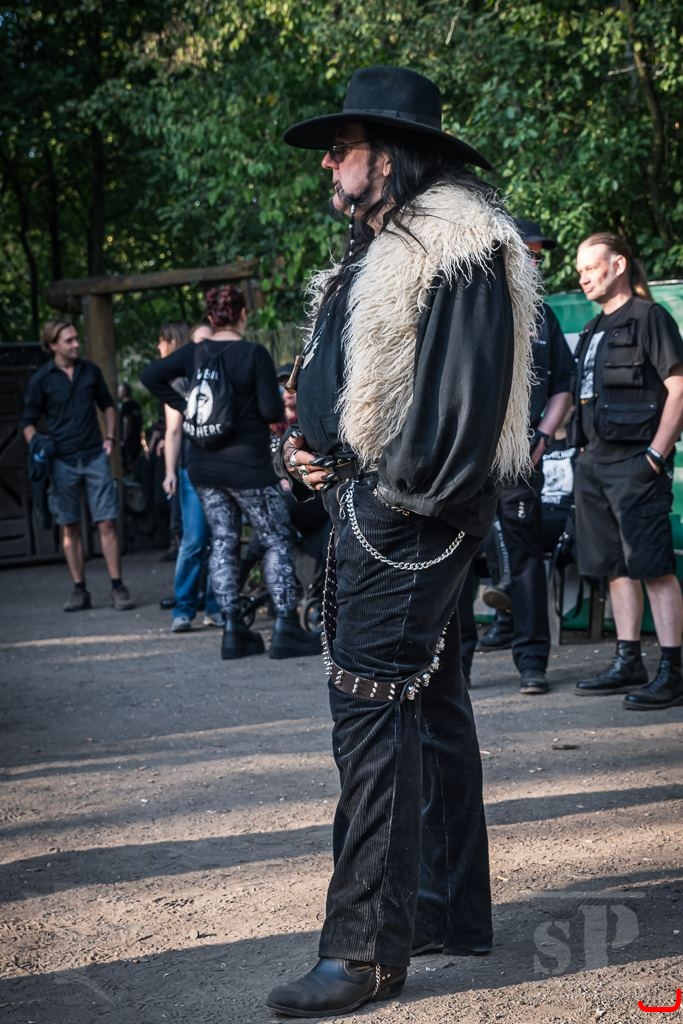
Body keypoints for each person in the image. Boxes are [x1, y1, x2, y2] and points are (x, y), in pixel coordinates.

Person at [266, 65, 538, 1018]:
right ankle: (439, 909)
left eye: (340, 148)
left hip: (409, 516)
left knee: (371, 709)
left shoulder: (459, 244)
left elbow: (461, 411)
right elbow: (341, 393)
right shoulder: (373, 255)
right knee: (427, 705)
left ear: (388, 154)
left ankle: (362, 953)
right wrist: (307, 454)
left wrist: (385, 497)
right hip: (377, 505)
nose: (328, 164)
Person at [141, 285, 321, 660]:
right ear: (243, 314)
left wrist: (187, 404)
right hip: (247, 466)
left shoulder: (194, 352)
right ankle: (286, 626)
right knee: (275, 537)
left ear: (210, 317)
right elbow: (272, 411)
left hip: (203, 466)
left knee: (222, 540)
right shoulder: (253, 354)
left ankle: (233, 630)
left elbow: (151, 376)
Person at [571, 232, 683, 710]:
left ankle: (673, 672)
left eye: (589, 268)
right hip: (594, 464)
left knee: (652, 566)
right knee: (614, 567)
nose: (583, 278)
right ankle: (628, 660)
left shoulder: (649, 317)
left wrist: (656, 455)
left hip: (636, 463)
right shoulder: (593, 327)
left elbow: (679, 388)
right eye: (579, 271)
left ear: (617, 265)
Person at [475, 218, 573, 695]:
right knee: (458, 560)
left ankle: (533, 662)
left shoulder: (543, 317)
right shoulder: (473, 308)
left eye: (539, 256)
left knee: (527, 559)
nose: (535, 262)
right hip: (469, 463)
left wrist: (543, 438)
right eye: (527, 253)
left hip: (522, 462)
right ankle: (454, 669)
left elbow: (564, 387)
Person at [20, 319, 134, 611]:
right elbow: (27, 423)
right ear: (52, 345)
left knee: (107, 522)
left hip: (94, 455)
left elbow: (108, 405)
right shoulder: (41, 380)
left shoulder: (90, 372)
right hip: (61, 461)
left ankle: (118, 587)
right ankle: (79, 590)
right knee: (69, 526)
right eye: (69, 340)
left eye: (76, 339)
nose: (76, 344)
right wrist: (38, 447)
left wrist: (110, 437)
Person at [158, 323, 223, 632]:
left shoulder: (228, 377)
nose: (204, 348)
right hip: (192, 470)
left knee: (221, 540)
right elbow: (172, 431)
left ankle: (215, 607)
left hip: (223, 469)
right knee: (194, 540)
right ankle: (183, 609)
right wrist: (170, 472)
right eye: (199, 343)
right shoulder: (181, 382)